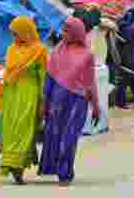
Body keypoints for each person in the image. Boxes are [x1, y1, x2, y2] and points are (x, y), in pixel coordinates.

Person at [39, 17, 100, 186]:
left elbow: (90, 82)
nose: (63, 34)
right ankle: (56, 168)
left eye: (67, 31)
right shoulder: (57, 50)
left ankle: (65, 173)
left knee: (69, 137)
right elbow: (49, 79)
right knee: (55, 136)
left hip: (77, 102)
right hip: (56, 102)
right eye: (63, 30)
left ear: (76, 33)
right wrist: (44, 102)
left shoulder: (88, 55)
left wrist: (96, 106)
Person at [0, 16, 48, 185]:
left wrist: (43, 98)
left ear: (26, 32)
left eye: (16, 33)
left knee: (25, 128)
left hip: (29, 93)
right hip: (11, 95)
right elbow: (7, 72)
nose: (14, 38)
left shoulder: (40, 50)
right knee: (11, 129)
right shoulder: (11, 49)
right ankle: (12, 164)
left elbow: (43, 76)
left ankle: (18, 168)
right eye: (12, 34)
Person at [115, 8, 134, 109]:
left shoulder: (119, 27)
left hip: (122, 58)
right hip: (132, 58)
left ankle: (121, 103)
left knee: (122, 82)